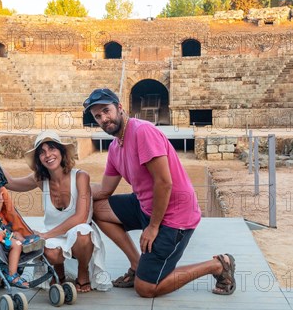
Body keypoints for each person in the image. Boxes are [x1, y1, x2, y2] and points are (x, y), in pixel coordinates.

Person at [84, 88, 236, 298]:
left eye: (106, 111)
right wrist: (71, 188)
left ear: (120, 108)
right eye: (97, 116)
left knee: (146, 288)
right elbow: (105, 190)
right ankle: (137, 265)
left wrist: (153, 227)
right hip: (146, 205)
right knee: (98, 208)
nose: (103, 118)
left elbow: (164, 183)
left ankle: (217, 265)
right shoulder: (114, 147)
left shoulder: (142, 132)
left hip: (175, 215)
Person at [3, 131, 111, 293]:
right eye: (42, 152)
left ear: (61, 152)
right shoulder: (40, 179)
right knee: (50, 253)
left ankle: (83, 273)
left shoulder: (81, 177)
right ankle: (59, 274)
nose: (48, 155)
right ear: (39, 159)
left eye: (52, 148)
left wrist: (46, 235)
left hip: (77, 233)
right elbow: (10, 183)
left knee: (82, 233)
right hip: (54, 234)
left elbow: (81, 217)